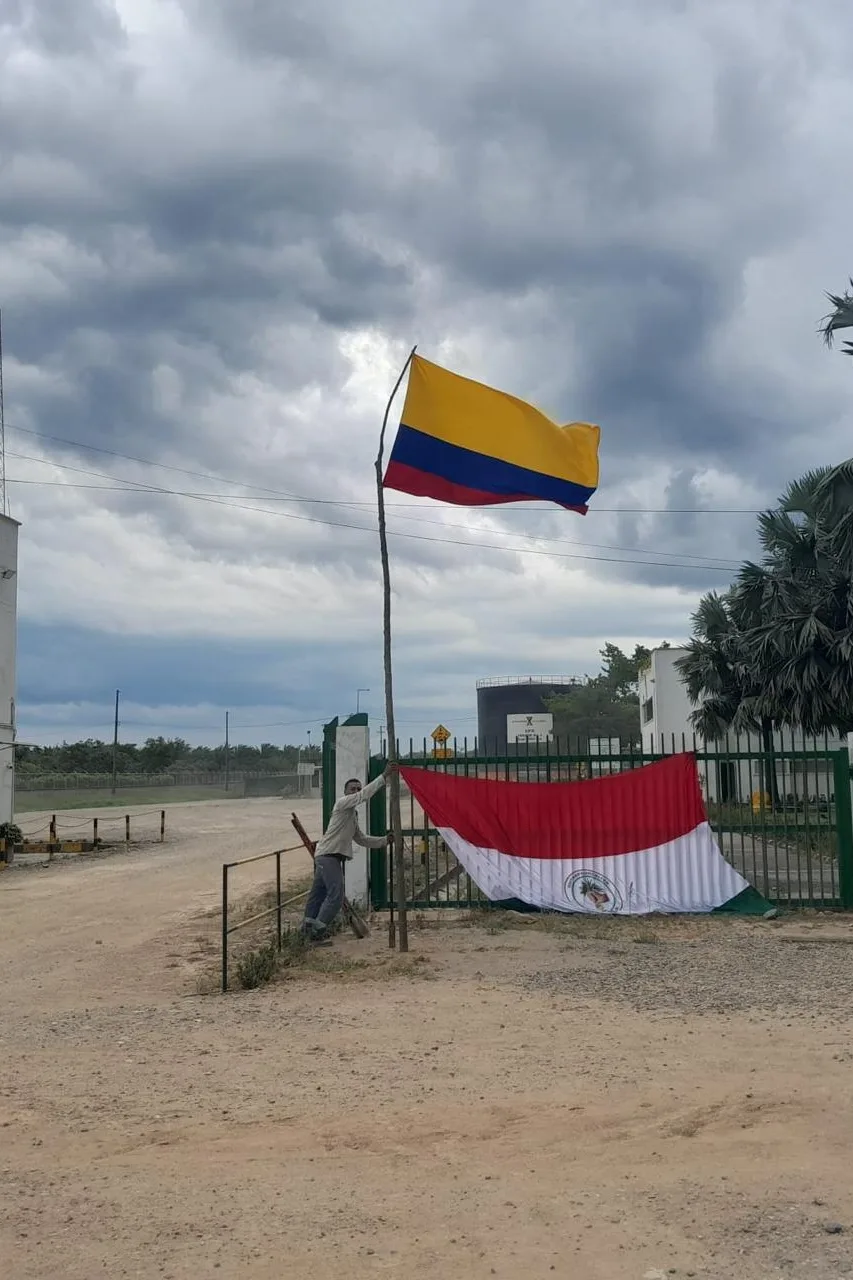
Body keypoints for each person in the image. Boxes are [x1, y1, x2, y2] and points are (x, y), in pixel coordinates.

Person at [301, 764, 395, 943]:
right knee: (335, 896)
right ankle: (316, 934)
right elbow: (364, 796)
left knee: (318, 894)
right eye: (353, 789)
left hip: (328, 856)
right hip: (328, 856)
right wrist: (383, 777)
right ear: (345, 792)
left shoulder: (352, 815)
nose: (356, 791)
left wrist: (384, 841)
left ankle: (306, 933)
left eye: (358, 788)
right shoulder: (342, 803)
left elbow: (361, 839)